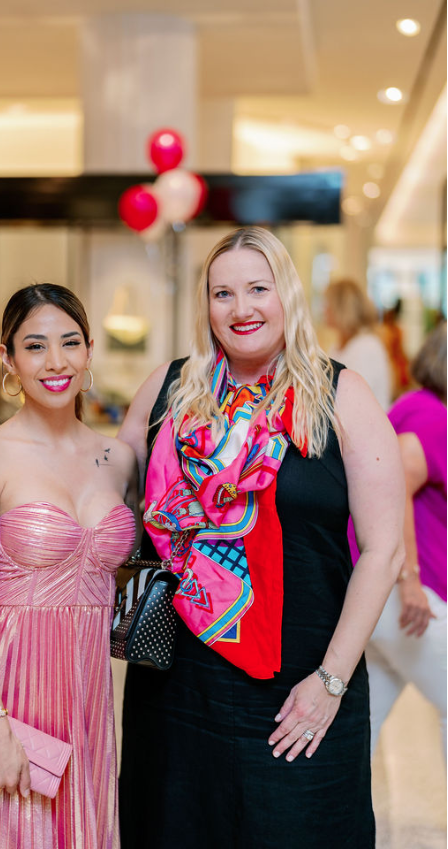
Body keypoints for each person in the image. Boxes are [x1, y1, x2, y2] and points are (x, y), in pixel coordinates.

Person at [117, 227, 404, 848]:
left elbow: (385, 552)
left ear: (288, 296)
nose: (241, 308)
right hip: (178, 690)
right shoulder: (172, 388)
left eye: (257, 288)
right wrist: (22, 449)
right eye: (223, 293)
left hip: (301, 693)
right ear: (207, 305)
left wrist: (330, 681)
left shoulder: (339, 395)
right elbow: (105, 473)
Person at [0, 283, 137, 848]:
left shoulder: (119, 459)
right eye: (35, 345)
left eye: (70, 343)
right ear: (8, 358)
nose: (56, 362)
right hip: (6, 685)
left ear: (90, 350)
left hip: (86, 691)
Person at [365, 322, 447, 757]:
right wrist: (409, 580)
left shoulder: (419, 406)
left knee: (367, 720)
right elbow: (393, 485)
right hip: (407, 596)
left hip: (389, 595)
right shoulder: (433, 417)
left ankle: (331, 821)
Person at [324, 277, 392, 409]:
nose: (324, 310)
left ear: (341, 308)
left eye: (328, 304)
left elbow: (351, 398)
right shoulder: (338, 345)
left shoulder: (367, 346)